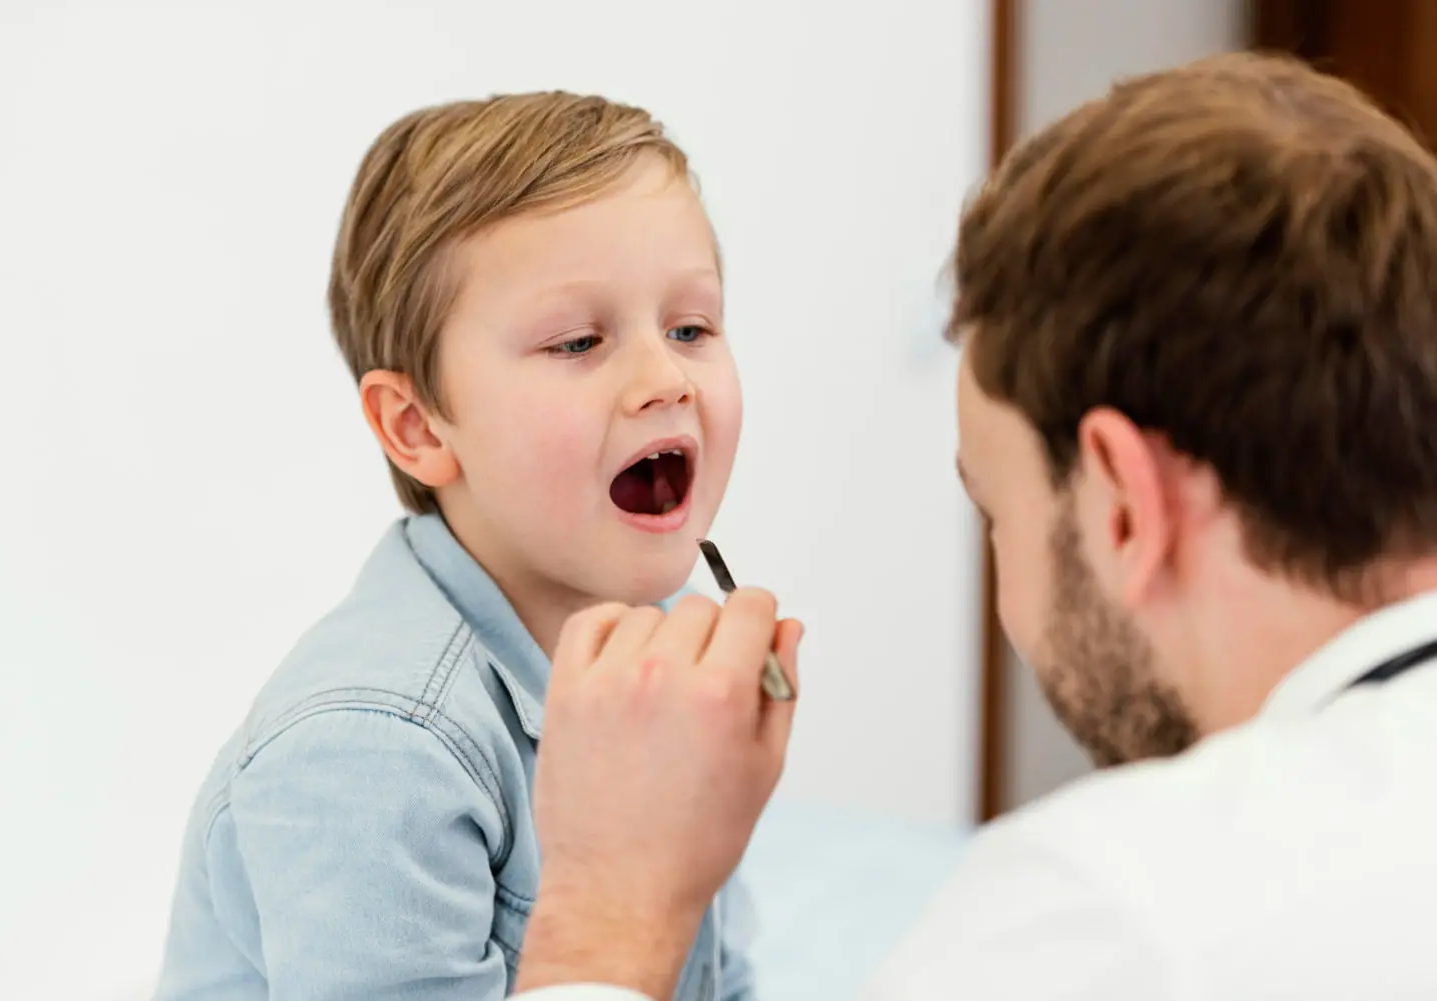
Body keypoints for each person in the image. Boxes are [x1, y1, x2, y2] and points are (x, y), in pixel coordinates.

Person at [508, 51, 1437, 1000]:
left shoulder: (1113, 913)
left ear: (1121, 501)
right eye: (578, 341)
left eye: (994, 511)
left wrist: (605, 918)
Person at [152, 93, 776, 1000]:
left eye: (691, 328)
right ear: (416, 426)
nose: (664, 379)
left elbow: (716, 971)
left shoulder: (659, 653)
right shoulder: (373, 752)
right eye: (577, 341)